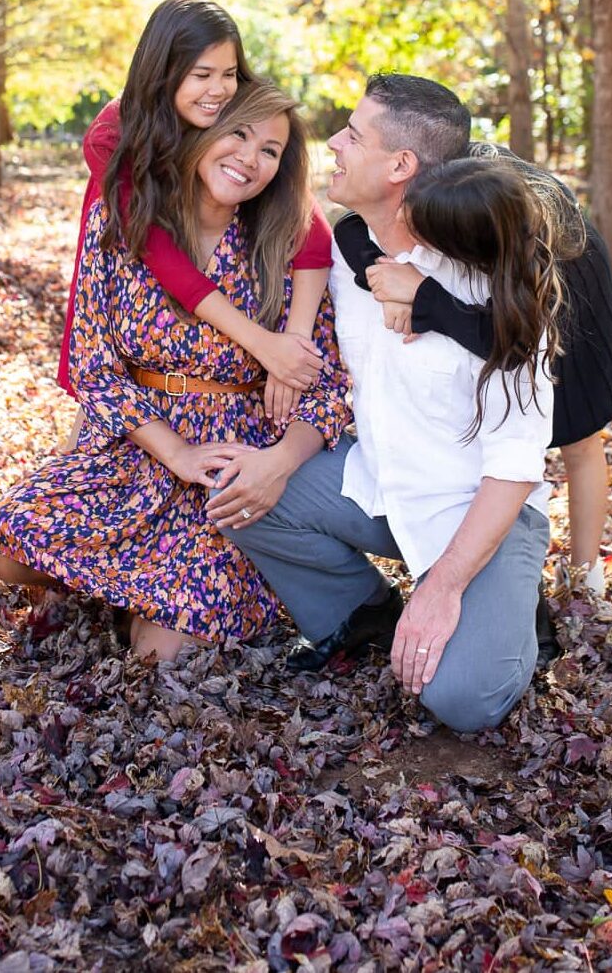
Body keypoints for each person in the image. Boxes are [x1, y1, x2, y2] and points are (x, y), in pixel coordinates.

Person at [217, 74, 562, 732]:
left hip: (480, 512)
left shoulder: (496, 284)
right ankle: (360, 614)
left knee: (464, 700)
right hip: (379, 485)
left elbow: (516, 466)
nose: (336, 144)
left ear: (401, 164)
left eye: (354, 133)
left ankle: (514, 612)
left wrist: (444, 586)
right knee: (241, 488)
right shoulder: (350, 253)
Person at [0, 82, 350, 659]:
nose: (251, 159)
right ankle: (129, 586)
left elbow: (328, 389)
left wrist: (277, 464)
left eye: (272, 151)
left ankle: (154, 600)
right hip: (139, 442)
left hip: (231, 461)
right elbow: (94, 366)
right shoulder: (126, 219)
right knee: (5, 546)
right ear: (199, 133)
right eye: (239, 133)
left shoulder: (286, 245)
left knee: (159, 655)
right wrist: (174, 452)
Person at [339, 139, 612, 597]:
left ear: (458, 252)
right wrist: (384, 276)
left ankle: (585, 576)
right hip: (498, 238)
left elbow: (511, 344)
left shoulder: (520, 263)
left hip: (574, 271)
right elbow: (351, 227)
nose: (404, 224)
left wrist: (426, 298)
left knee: (579, 433)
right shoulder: (440, 189)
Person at [57, 0, 331, 436]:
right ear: (162, 73)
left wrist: (292, 347)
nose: (219, 90)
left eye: (229, 74)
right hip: (140, 251)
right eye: (201, 75)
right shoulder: (114, 137)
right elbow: (163, 259)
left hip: (219, 365)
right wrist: (264, 345)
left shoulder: (233, 116)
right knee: (118, 342)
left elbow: (311, 233)